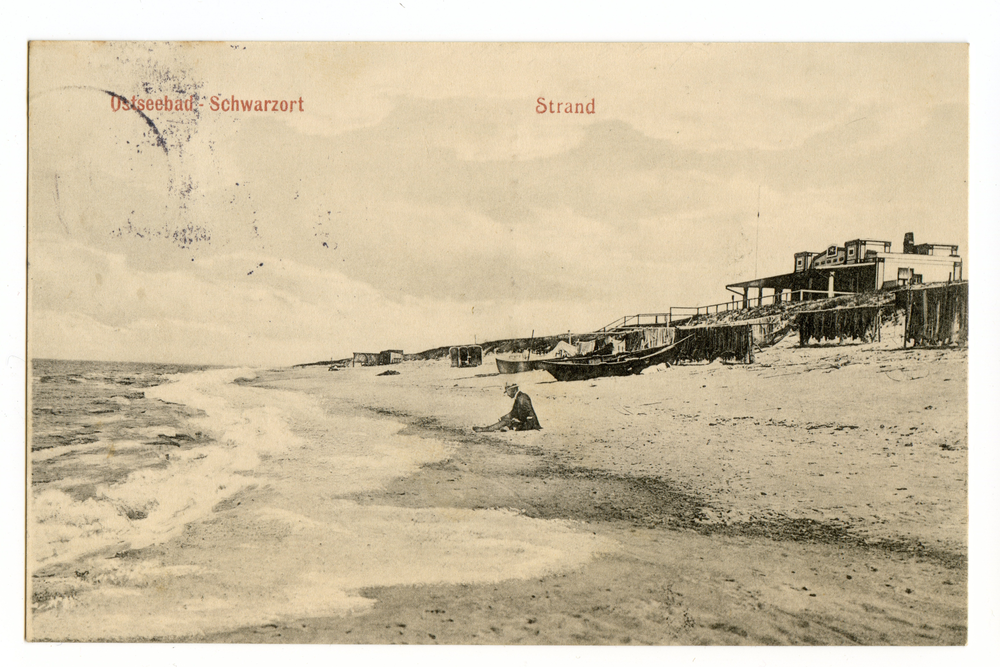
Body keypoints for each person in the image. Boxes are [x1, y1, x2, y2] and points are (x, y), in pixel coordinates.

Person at [473, 382, 542, 432]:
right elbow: (513, 412)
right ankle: (486, 429)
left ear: (514, 390)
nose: (508, 394)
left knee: (507, 422)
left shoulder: (522, 398)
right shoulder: (519, 397)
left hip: (530, 424)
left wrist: (515, 420)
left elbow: (525, 413)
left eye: (508, 391)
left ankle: (485, 429)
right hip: (527, 422)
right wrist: (504, 417)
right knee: (506, 421)